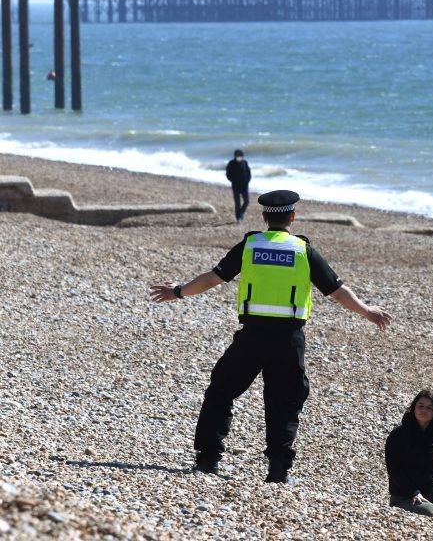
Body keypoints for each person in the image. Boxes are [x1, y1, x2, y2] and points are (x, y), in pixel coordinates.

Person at [149, 189, 393, 484]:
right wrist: (367, 311)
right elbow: (337, 291)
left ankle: (208, 460)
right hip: (289, 339)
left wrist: (178, 292)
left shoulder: (250, 245)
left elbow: (213, 277)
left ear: (264, 217)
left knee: (221, 392)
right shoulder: (304, 251)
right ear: (293, 216)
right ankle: (278, 472)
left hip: (252, 336)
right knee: (284, 402)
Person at [385, 390, 433, 517]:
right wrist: (414, 492)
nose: (424, 410)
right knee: (430, 512)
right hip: (403, 495)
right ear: (413, 408)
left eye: (429, 408)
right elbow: (394, 470)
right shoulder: (397, 436)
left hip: (431, 491)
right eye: (420, 406)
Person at [226, 149, 251, 223]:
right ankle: (239, 218)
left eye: (240, 156)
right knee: (237, 203)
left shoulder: (245, 162)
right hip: (235, 186)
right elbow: (228, 174)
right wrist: (233, 181)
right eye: (237, 156)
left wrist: (247, 181)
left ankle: (241, 212)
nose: (239, 157)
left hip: (244, 186)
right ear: (235, 156)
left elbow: (249, 173)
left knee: (247, 201)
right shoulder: (231, 163)